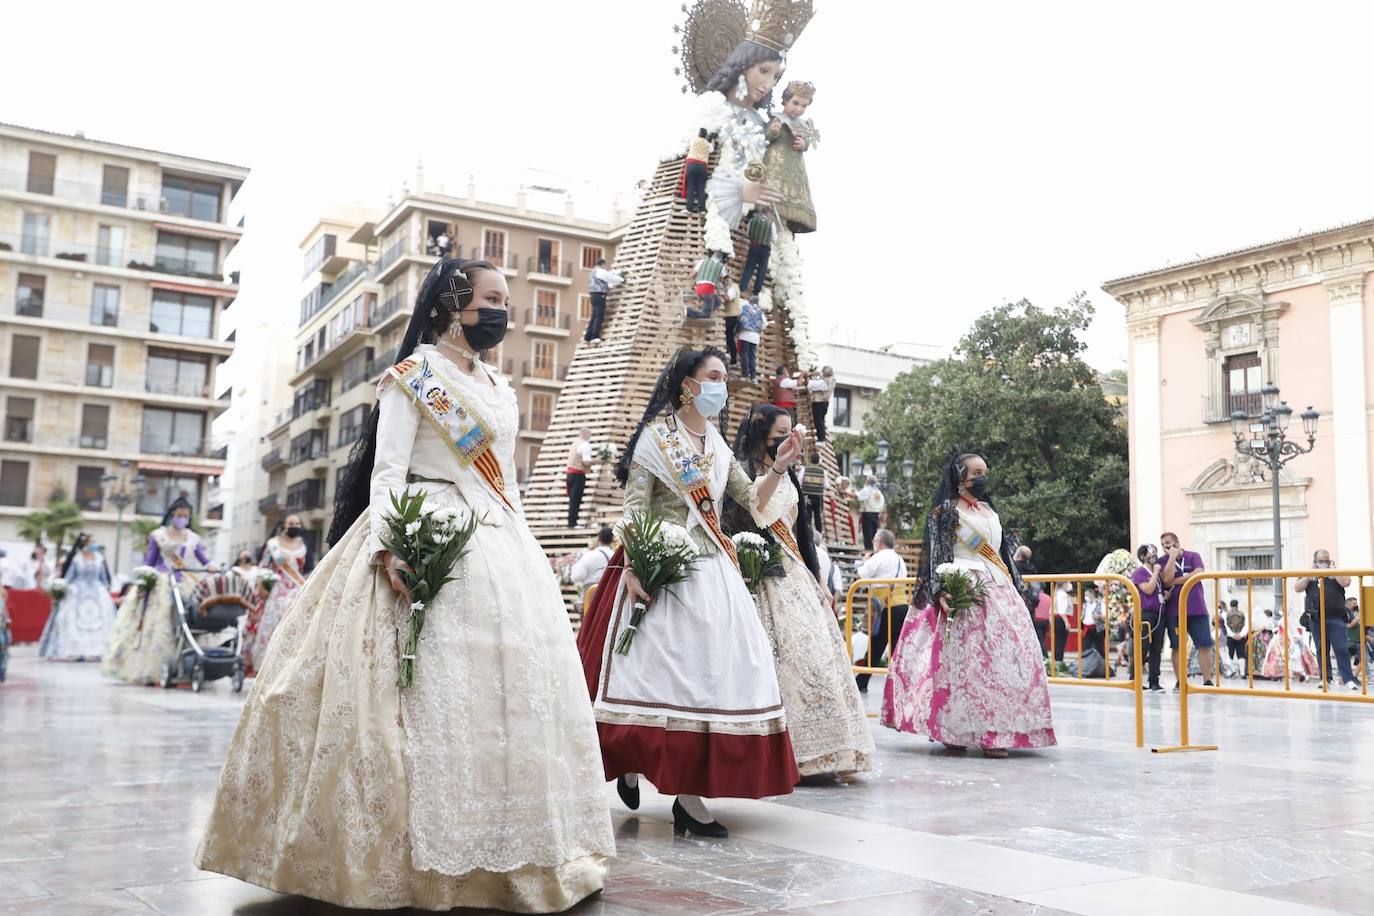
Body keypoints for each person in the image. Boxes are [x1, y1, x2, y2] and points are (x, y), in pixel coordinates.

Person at [195, 258, 615, 912]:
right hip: (426, 529)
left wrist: (527, 546)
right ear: (455, 305)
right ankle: (406, 859)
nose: (504, 311)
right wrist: (391, 547)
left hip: (499, 540)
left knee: (510, 701)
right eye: (493, 299)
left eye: (507, 299)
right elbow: (388, 473)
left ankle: (509, 851)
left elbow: (503, 476)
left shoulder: (496, 384)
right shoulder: (414, 378)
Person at [575, 346, 799, 837]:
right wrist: (634, 569)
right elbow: (635, 508)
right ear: (687, 384)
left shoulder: (716, 445)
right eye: (713, 376)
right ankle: (644, 768)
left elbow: (751, 500)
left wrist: (779, 467)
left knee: (709, 678)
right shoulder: (657, 439)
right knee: (655, 679)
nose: (721, 384)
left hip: (713, 571)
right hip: (659, 568)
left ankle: (687, 792)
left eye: (723, 376)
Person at [730, 405, 873, 778]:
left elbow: (803, 533)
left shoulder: (790, 476)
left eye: (792, 432)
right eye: (781, 432)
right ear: (762, 433)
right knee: (784, 663)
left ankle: (832, 749)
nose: (788, 438)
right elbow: (749, 510)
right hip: (760, 577)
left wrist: (819, 579)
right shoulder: (742, 473)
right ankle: (789, 754)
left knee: (820, 659)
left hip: (796, 578)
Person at [882, 452, 1056, 757]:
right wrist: (939, 592)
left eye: (985, 471)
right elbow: (937, 553)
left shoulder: (990, 510)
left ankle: (998, 731)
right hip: (963, 584)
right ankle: (955, 729)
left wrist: (1019, 587)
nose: (982, 477)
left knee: (1004, 661)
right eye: (976, 472)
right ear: (960, 475)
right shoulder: (945, 512)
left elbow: (1002, 553)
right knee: (962, 665)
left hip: (998, 588)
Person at [102, 498, 216, 685]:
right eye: (179, 515)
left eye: (186, 516)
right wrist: (146, 580)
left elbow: (203, 558)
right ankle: (152, 669)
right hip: (162, 584)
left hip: (185, 582)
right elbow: (149, 561)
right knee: (159, 625)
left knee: (188, 621)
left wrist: (210, 565)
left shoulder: (193, 538)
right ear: (171, 515)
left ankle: (187, 666)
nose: (182, 519)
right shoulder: (158, 535)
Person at [241, 514, 312, 672]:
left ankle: (288, 667)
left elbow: (307, 570)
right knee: (271, 627)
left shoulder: (303, 545)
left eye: (297, 523)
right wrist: (262, 586)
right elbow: (264, 566)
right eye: (291, 523)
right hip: (275, 590)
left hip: (296, 591)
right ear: (283, 526)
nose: (294, 526)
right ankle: (264, 666)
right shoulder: (273, 544)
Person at [37, 533, 114, 661]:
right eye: (91, 542)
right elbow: (69, 577)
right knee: (73, 620)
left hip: (97, 592)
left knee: (100, 621)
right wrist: (62, 588)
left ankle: (98, 651)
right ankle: (76, 650)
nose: (93, 544)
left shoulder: (99, 558)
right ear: (84, 544)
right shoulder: (77, 559)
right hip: (77, 591)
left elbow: (104, 578)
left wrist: (106, 588)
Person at [853, 528, 909, 692]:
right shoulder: (900, 559)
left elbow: (861, 575)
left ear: (880, 542)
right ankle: (899, 685)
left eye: (875, 541)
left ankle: (862, 682)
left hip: (884, 607)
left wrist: (865, 560)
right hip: (901, 605)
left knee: (876, 645)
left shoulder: (879, 557)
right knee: (896, 648)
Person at [1294, 550, 1359, 691]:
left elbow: (1346, 582)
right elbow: (1297, 588)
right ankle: (1325, 678)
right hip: (1317, 619)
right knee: (1321, 649)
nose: (1323, 564)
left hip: (1336, 617)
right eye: (1320, 561)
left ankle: (1348, 679)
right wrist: (1309, 573)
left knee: (1341, 649)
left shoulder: (1335, 572)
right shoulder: (1309, 575)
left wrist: (1333, 570)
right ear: (1314, 562)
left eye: (1326, 561)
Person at [1159, 531, 1216, 689]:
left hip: (1197, 609)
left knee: (1204, 645)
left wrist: (1175, 581)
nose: (1166, 546)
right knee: (1177, 646)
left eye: (1169, 543)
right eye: (1163, 544)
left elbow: (1197, 574)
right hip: (1174, 612)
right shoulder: (1162, 561)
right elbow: (1166, 579)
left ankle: (1207, 680)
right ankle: (1180, 680)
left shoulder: (1193, 556)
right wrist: (1171, 557)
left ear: (1177, 542)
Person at [1132, 544, 1167, 690]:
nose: (1154, 557)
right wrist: (1155, 573)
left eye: (1155, 554)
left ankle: (1154, 680)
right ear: (1143, 557)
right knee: (1143, 647)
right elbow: (1148, 589)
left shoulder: (1157, 574)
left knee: (1156, 649)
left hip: (1159, 612)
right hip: (1145, 613)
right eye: (1150, 555)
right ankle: (1135, 679)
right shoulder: (1141, 572)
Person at [565, 426, 600, 528]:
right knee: (576, 499)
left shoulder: (575, 443)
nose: (590, 437)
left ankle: (571, 522)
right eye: (589, 434)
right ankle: (573, 523)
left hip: (570, 474)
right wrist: (599, 460)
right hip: (578, 475)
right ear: (585, 434)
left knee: (573, 499)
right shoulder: (585, 444)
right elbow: (586, 462)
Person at [585, 257, 624, 344]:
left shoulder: (592, 272)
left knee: (594, 317)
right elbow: (611, 278)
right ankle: (594, 336)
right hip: (600, 295)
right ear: (603, 264)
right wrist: (621, 279)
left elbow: (605, 283)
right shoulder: (600, 271)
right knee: (599, 316)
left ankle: (588, 336)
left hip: (593, 295)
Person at [570, 527, 615, 598]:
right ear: (612, 540)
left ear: (598, 539)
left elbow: (576, 576)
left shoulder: (589, 555)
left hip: (591, 593)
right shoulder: (614, 556)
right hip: (609, 593)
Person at [738, 209, 775, 295]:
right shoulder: (771, 224)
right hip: (765, 249)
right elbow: (774, 238)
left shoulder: (752, 220)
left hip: (754, 246)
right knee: (761, 271)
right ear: (767, 214)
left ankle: (743, 288)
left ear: (760, 212)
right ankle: (756, 292)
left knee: (749, 268)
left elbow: (748, 233)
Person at [686, 251, 726, 319]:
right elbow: (723, 279)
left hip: (699, 288)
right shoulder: (721, 266)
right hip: (708, 290)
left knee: (717, 301)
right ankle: (688, 312)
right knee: (706, 315)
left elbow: (693, 275)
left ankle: (705, 310)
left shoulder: (702, 261)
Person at [737, 294, 766, 381]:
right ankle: (753, 376)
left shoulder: (745, 307)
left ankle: (745, 375)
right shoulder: (760, 311)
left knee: (744, 355)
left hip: (745, 334)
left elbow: (739, 317)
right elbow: (764, 323)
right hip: (755, 336)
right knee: (752, 356)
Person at [856, 475, 885, 551]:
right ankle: (875, 548)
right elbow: (882, 504)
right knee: (874, 532)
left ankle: (868, 549)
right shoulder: (878, 492)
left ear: (867, 481)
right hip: (876, 514)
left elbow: (858, 496)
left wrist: (846, 493)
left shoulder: (867, 490)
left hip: (867, 513)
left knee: (867, 533)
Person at [805, 366, 834, 443]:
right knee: (820, 421)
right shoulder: (831, 379)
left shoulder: (824, 382)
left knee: (818, 421)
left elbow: (810, 385)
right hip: (824, 403)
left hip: (819, 403)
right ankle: (821, 438)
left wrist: (807, 376)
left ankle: (821, 439)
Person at [799, 450, 826, 532]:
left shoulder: (804, 469)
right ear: (818, 461)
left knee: (808, 516)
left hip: (807, 496)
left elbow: (799, 481)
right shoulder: (823, 471)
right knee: (818, 516)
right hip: (818, 497)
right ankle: (819, 535)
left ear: (810, 460)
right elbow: (826, 485)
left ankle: (807, 534)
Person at [1223, 599, 1249, 678]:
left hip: (1230, 637)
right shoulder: (1243, 614)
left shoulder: (1226, 614)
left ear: (1230, 605)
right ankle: (1242, 673)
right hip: (1241, 637)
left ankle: (1231, 671)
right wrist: (1240, 635)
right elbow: (1246, 625)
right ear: (1237, 605)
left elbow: (1226, 625)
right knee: (1241, 654)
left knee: (1230, 654)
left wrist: (1232, 634)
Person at [720, 278, 743, 366]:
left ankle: (732, 358)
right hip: (732, 315)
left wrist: (722, 295)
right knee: (729, 336)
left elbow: (728, 298)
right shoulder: (734, 287)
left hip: (731, 315)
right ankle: (731, 356)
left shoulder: (732, 288)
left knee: (728, 337)